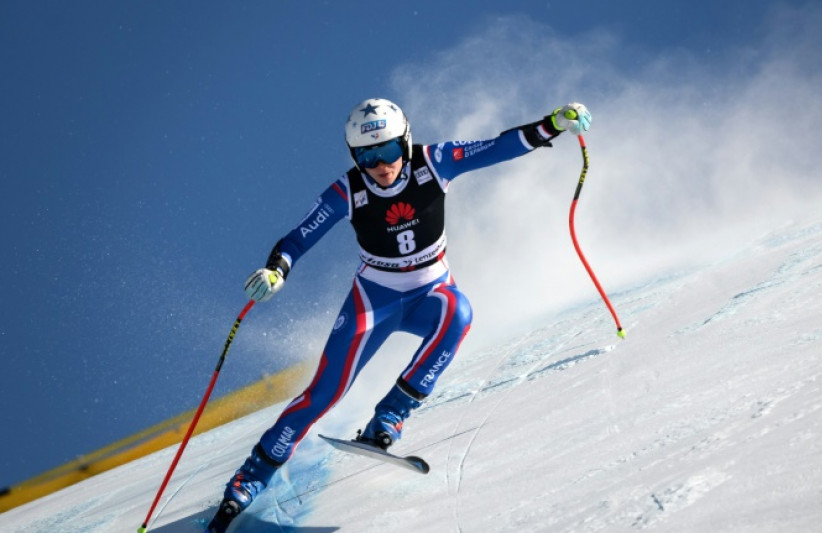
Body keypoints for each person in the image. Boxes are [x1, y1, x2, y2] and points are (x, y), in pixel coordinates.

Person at [205, 98, 591, 531]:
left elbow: (497, 147)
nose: (379, 165)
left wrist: (552, 126)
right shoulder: (348, 190)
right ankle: (250, 478)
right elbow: (297, 238)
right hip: (374, 300)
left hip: (431, 291)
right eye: (366, 156)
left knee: (458, 314)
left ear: (404, 143)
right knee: (324, 393)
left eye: (387, 151)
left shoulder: (434, 162)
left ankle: (389, 416)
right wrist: (276, 271)